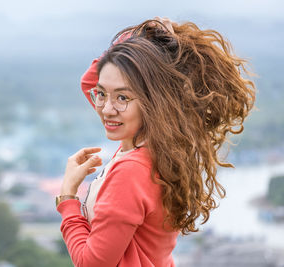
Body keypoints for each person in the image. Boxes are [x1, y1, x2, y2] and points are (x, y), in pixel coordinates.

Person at [55, 17, 256, 267]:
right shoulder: (160, 145)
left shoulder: (130, 171)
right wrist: (137, 41)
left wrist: (67, 198)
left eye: (122, 97)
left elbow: (90, 263)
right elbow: (91, 82)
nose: (107, 109)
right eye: (102, 95)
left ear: (152, 102)